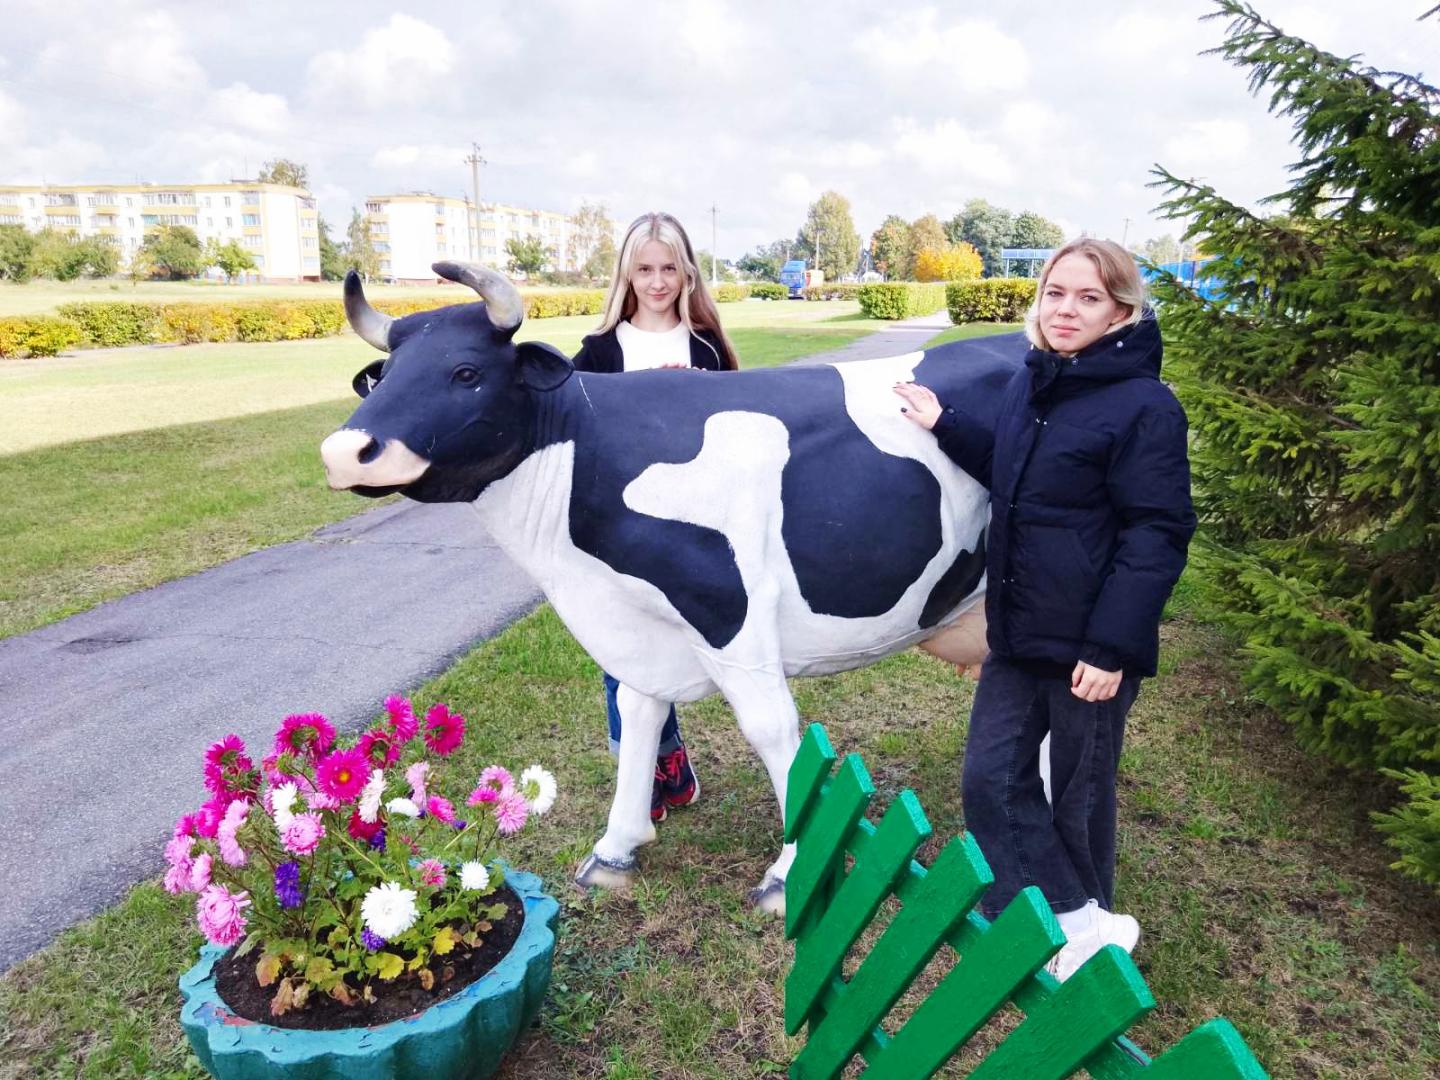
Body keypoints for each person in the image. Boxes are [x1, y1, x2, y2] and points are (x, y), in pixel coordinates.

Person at [893, 238, 1195, 982]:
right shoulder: (1035, 381)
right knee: (989, 780)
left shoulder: (1146, 407)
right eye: (1055, 293)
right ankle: (1061, 922)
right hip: (1021, 629)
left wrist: (1110, 648)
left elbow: (1157, 533)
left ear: (1120, 312)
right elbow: (1014, 470)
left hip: (1089, 646)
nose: (1066, 310)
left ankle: (1081, 947)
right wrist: (944, 422)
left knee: (1078, 800)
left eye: (1088, 298)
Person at [571, 211, 740, 824]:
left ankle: (663, 758)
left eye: (669, 268)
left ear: (687, 273)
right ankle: (646, 772)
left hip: (694, 520)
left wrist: (691, 397)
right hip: (619, 526)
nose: (658, 281)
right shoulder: (598, 351)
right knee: (622, 651)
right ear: (626, 274)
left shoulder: (706, 347)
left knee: (676, 645)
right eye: (644, 269)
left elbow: (736, 433)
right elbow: (578, 437)